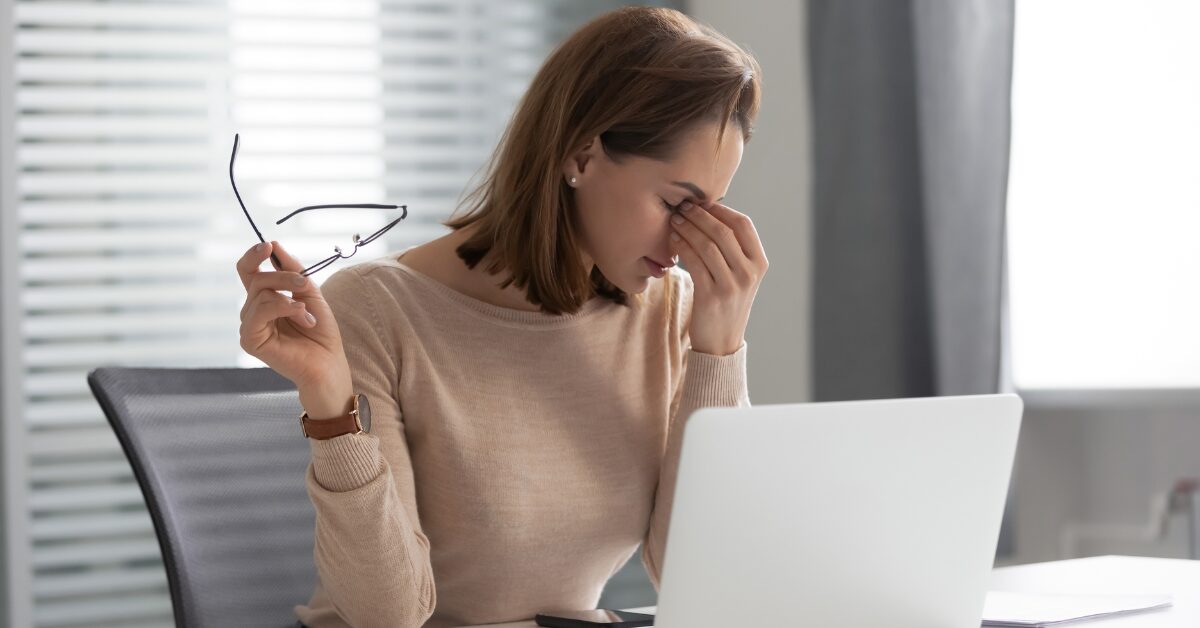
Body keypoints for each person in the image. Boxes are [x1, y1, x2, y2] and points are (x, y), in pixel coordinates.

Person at [235, 6, 766, 628]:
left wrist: (718, 351)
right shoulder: (379, 308)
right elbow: (388, 616)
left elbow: (698, 578)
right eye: (677, 202)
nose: (686, 241)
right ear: (581, 155)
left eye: (712, 209)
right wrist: (329, 407)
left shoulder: (672, 310)